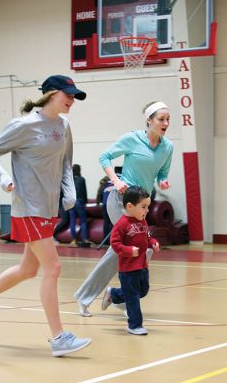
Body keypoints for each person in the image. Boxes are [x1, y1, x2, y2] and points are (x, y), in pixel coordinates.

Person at [0, 74, 91, 356]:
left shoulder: (63, 126)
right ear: (52, 95)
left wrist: (69, 191)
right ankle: (59, 338)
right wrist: (3, 180)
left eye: (74, 95)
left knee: (29, 269)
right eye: (68, 94)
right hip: (28, 207)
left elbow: (66, 163)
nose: (72, 100)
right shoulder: (23, 126)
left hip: (49, 208)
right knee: (54, 267)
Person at [74, 100, 173, 317]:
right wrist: (115, 181)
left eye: (168, 119)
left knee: (142, 249)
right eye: (161, 119)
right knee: (125, 248)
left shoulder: (168, 147)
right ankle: (95, 297)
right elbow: (104, 157)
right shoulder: (132, 139)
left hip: (142, 206)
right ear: (149, 120)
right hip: (121, 201)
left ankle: (118, 295)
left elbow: (162, 172)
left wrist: (163, 181)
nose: (166, 123)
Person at [101, 186, 159, 335]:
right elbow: (115, 244)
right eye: (144, 207)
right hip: (128, 269)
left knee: (143, 291)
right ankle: (134, 325)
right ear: (130, 206)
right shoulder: (121, 224)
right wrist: (128, 250)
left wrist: (152, 242)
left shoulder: (143, 222)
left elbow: (146, 237)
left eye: (148, 207)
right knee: (133, 297)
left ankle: (114, 294)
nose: (147, 210)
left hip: (142, 265)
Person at [69, 164, 90, 247]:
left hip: (71, 202)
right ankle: (85, 239)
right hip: (79, 201)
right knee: (83, 221)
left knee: (72, 221)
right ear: (79, 170)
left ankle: (73, 240)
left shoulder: (70, 180)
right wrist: (85, 202)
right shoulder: (82, 179)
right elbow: (84, 192)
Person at [96, 176, 113, 245]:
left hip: (104, 205)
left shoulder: (103, 186)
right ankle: (111, 240)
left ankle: (105, 240)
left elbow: (99, 197)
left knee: (106, 223)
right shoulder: (115, 185)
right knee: (112, 223)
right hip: (112, 206)